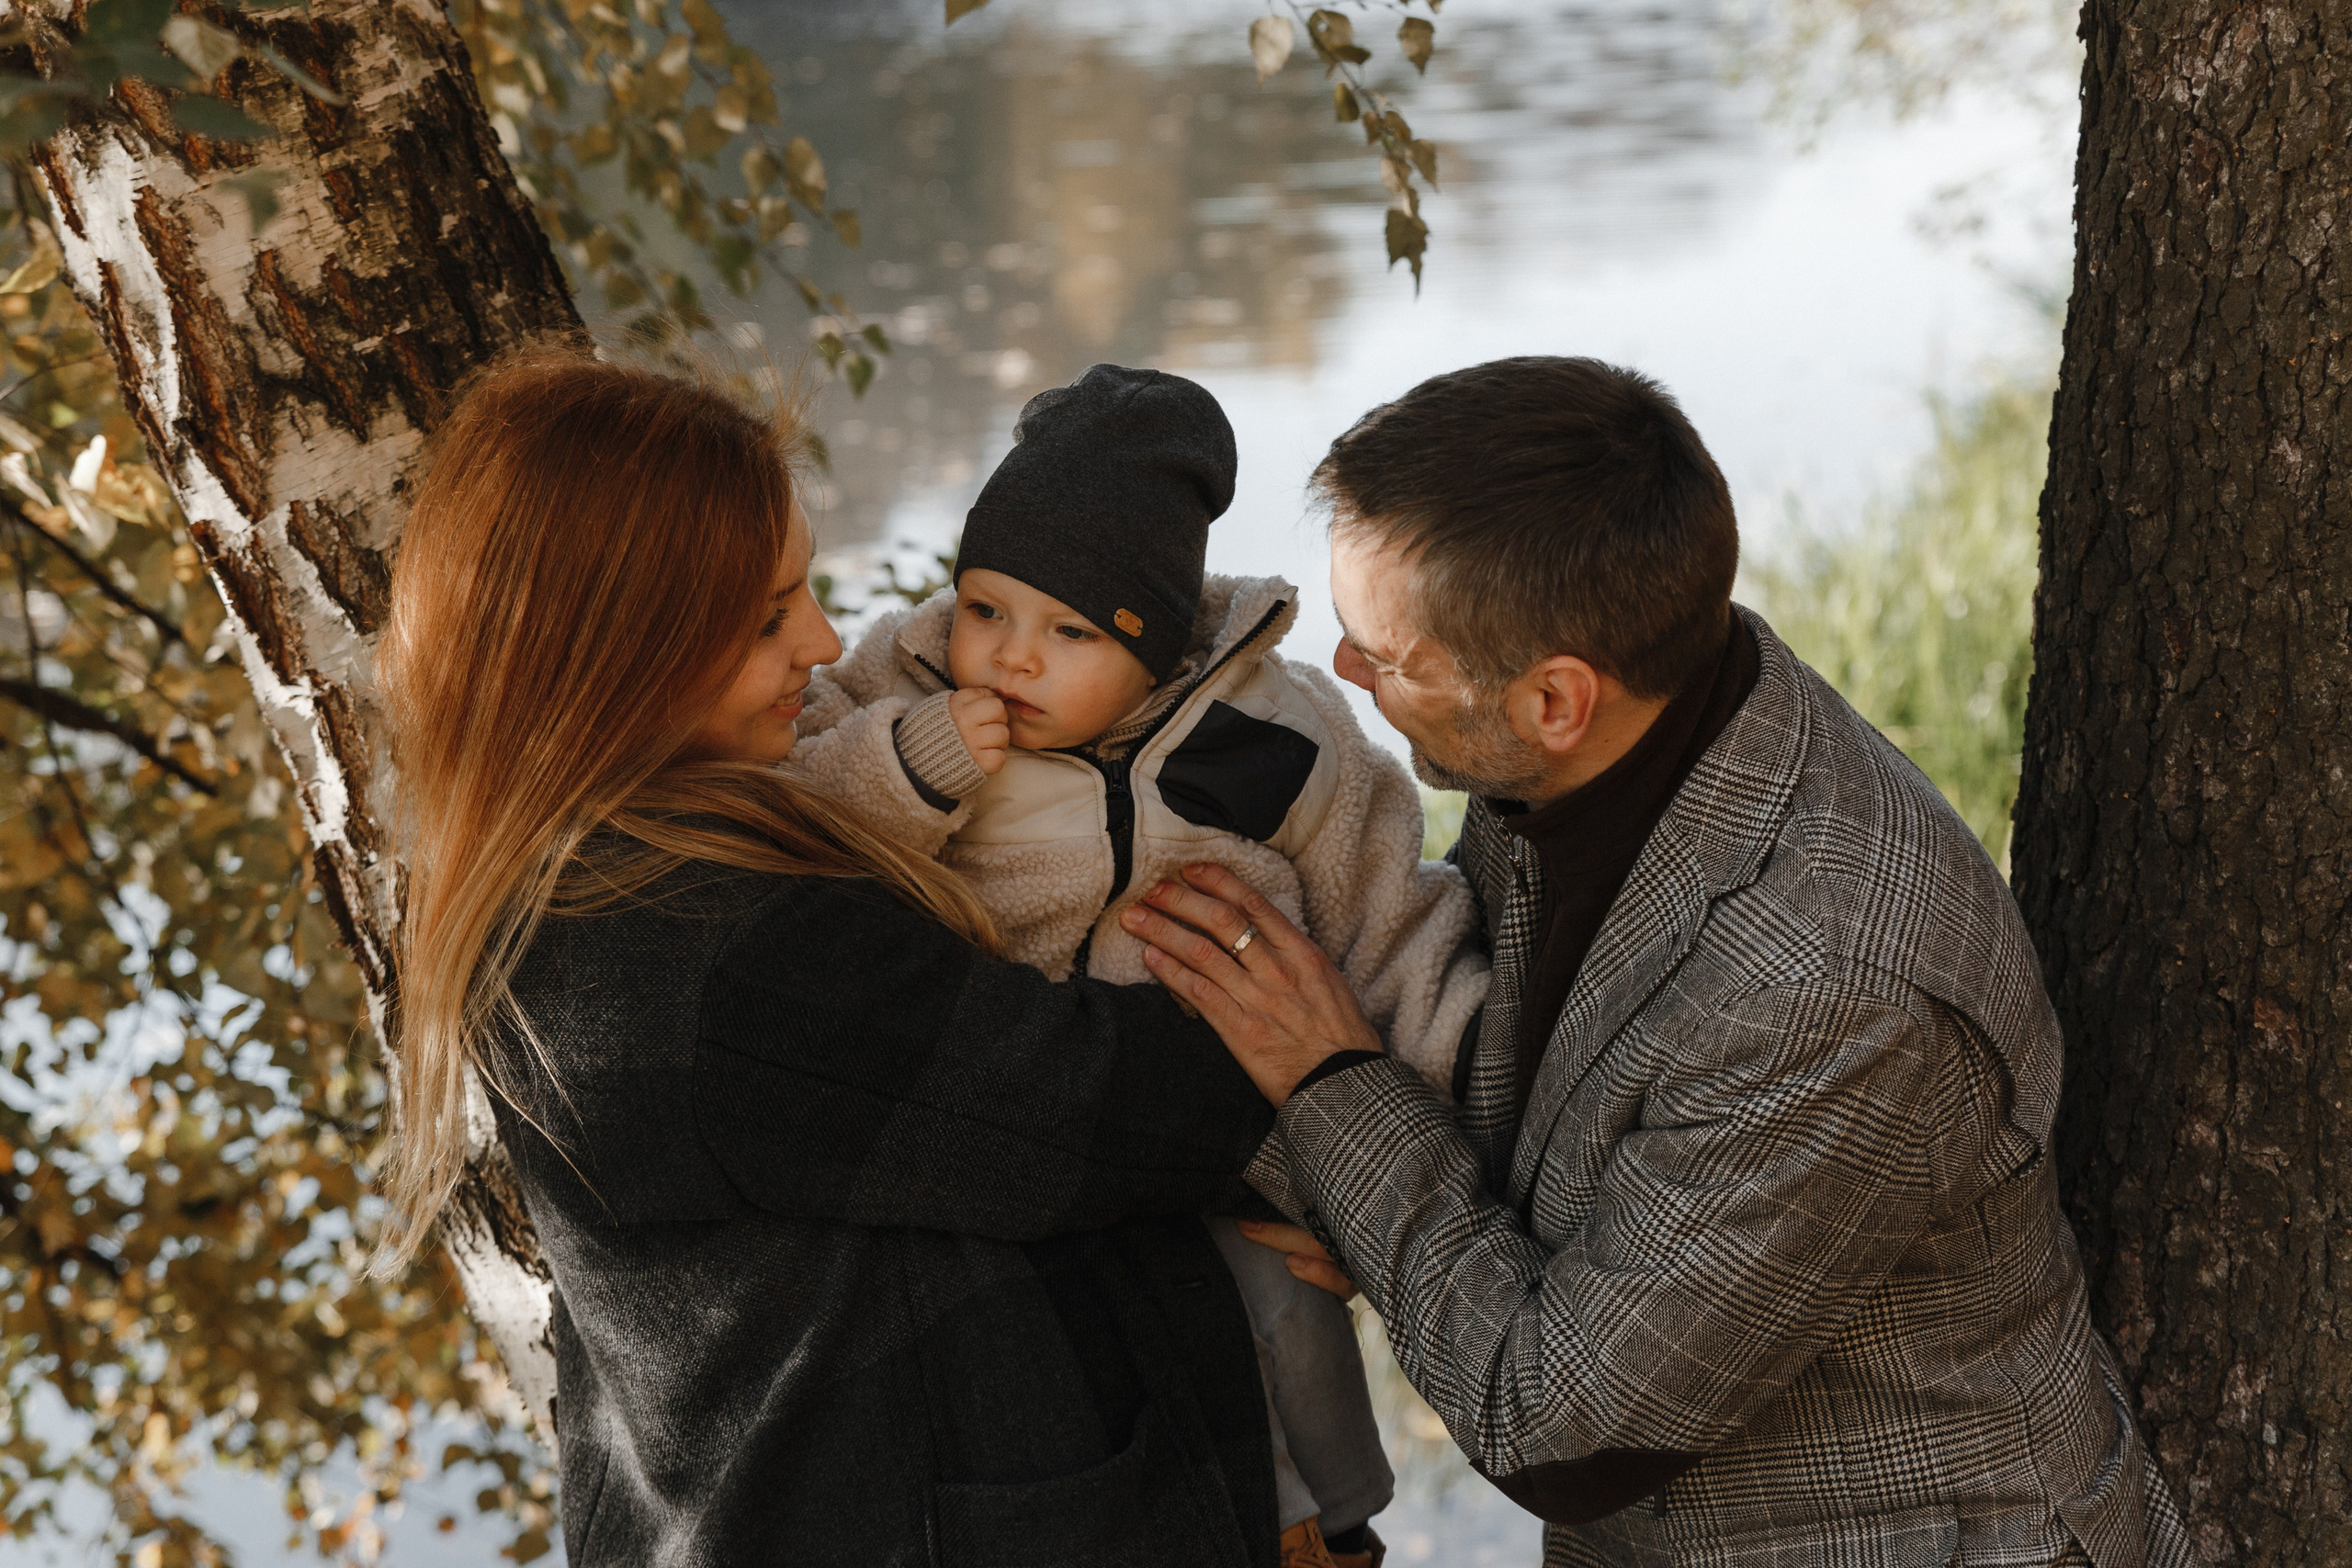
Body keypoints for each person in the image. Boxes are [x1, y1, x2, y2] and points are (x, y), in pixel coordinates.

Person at [1122, 357, 2194, 1566]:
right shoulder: (1620, 730)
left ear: (1555, 700)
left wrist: (1334, 1089)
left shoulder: (1829, 987)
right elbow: (1542, 1098)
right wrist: (1382, 1225)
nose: (1346, 672)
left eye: (1387, 655)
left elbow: (1560, 1430)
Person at [375, 349, 1294, 1566]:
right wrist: (1327, 1068)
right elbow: (1108, 1112)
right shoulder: (713, 956)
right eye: (768, 617)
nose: (820, 639)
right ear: (615, 651)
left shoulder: (580, 860)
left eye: (804, 589)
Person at [790, 362, 1489, 1568]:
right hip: (1021, 1139)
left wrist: (1393, 1179)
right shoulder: (901, 685)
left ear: (1157, 647)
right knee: (1085, 1389)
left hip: (1238, 1140)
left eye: (1072, 633)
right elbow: (792, 821)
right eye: (986, 608)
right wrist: (906, 768)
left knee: (1286, 1329)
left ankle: (1330, 1534)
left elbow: (1393, 932)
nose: (1010, 659)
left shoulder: (1278, 732)